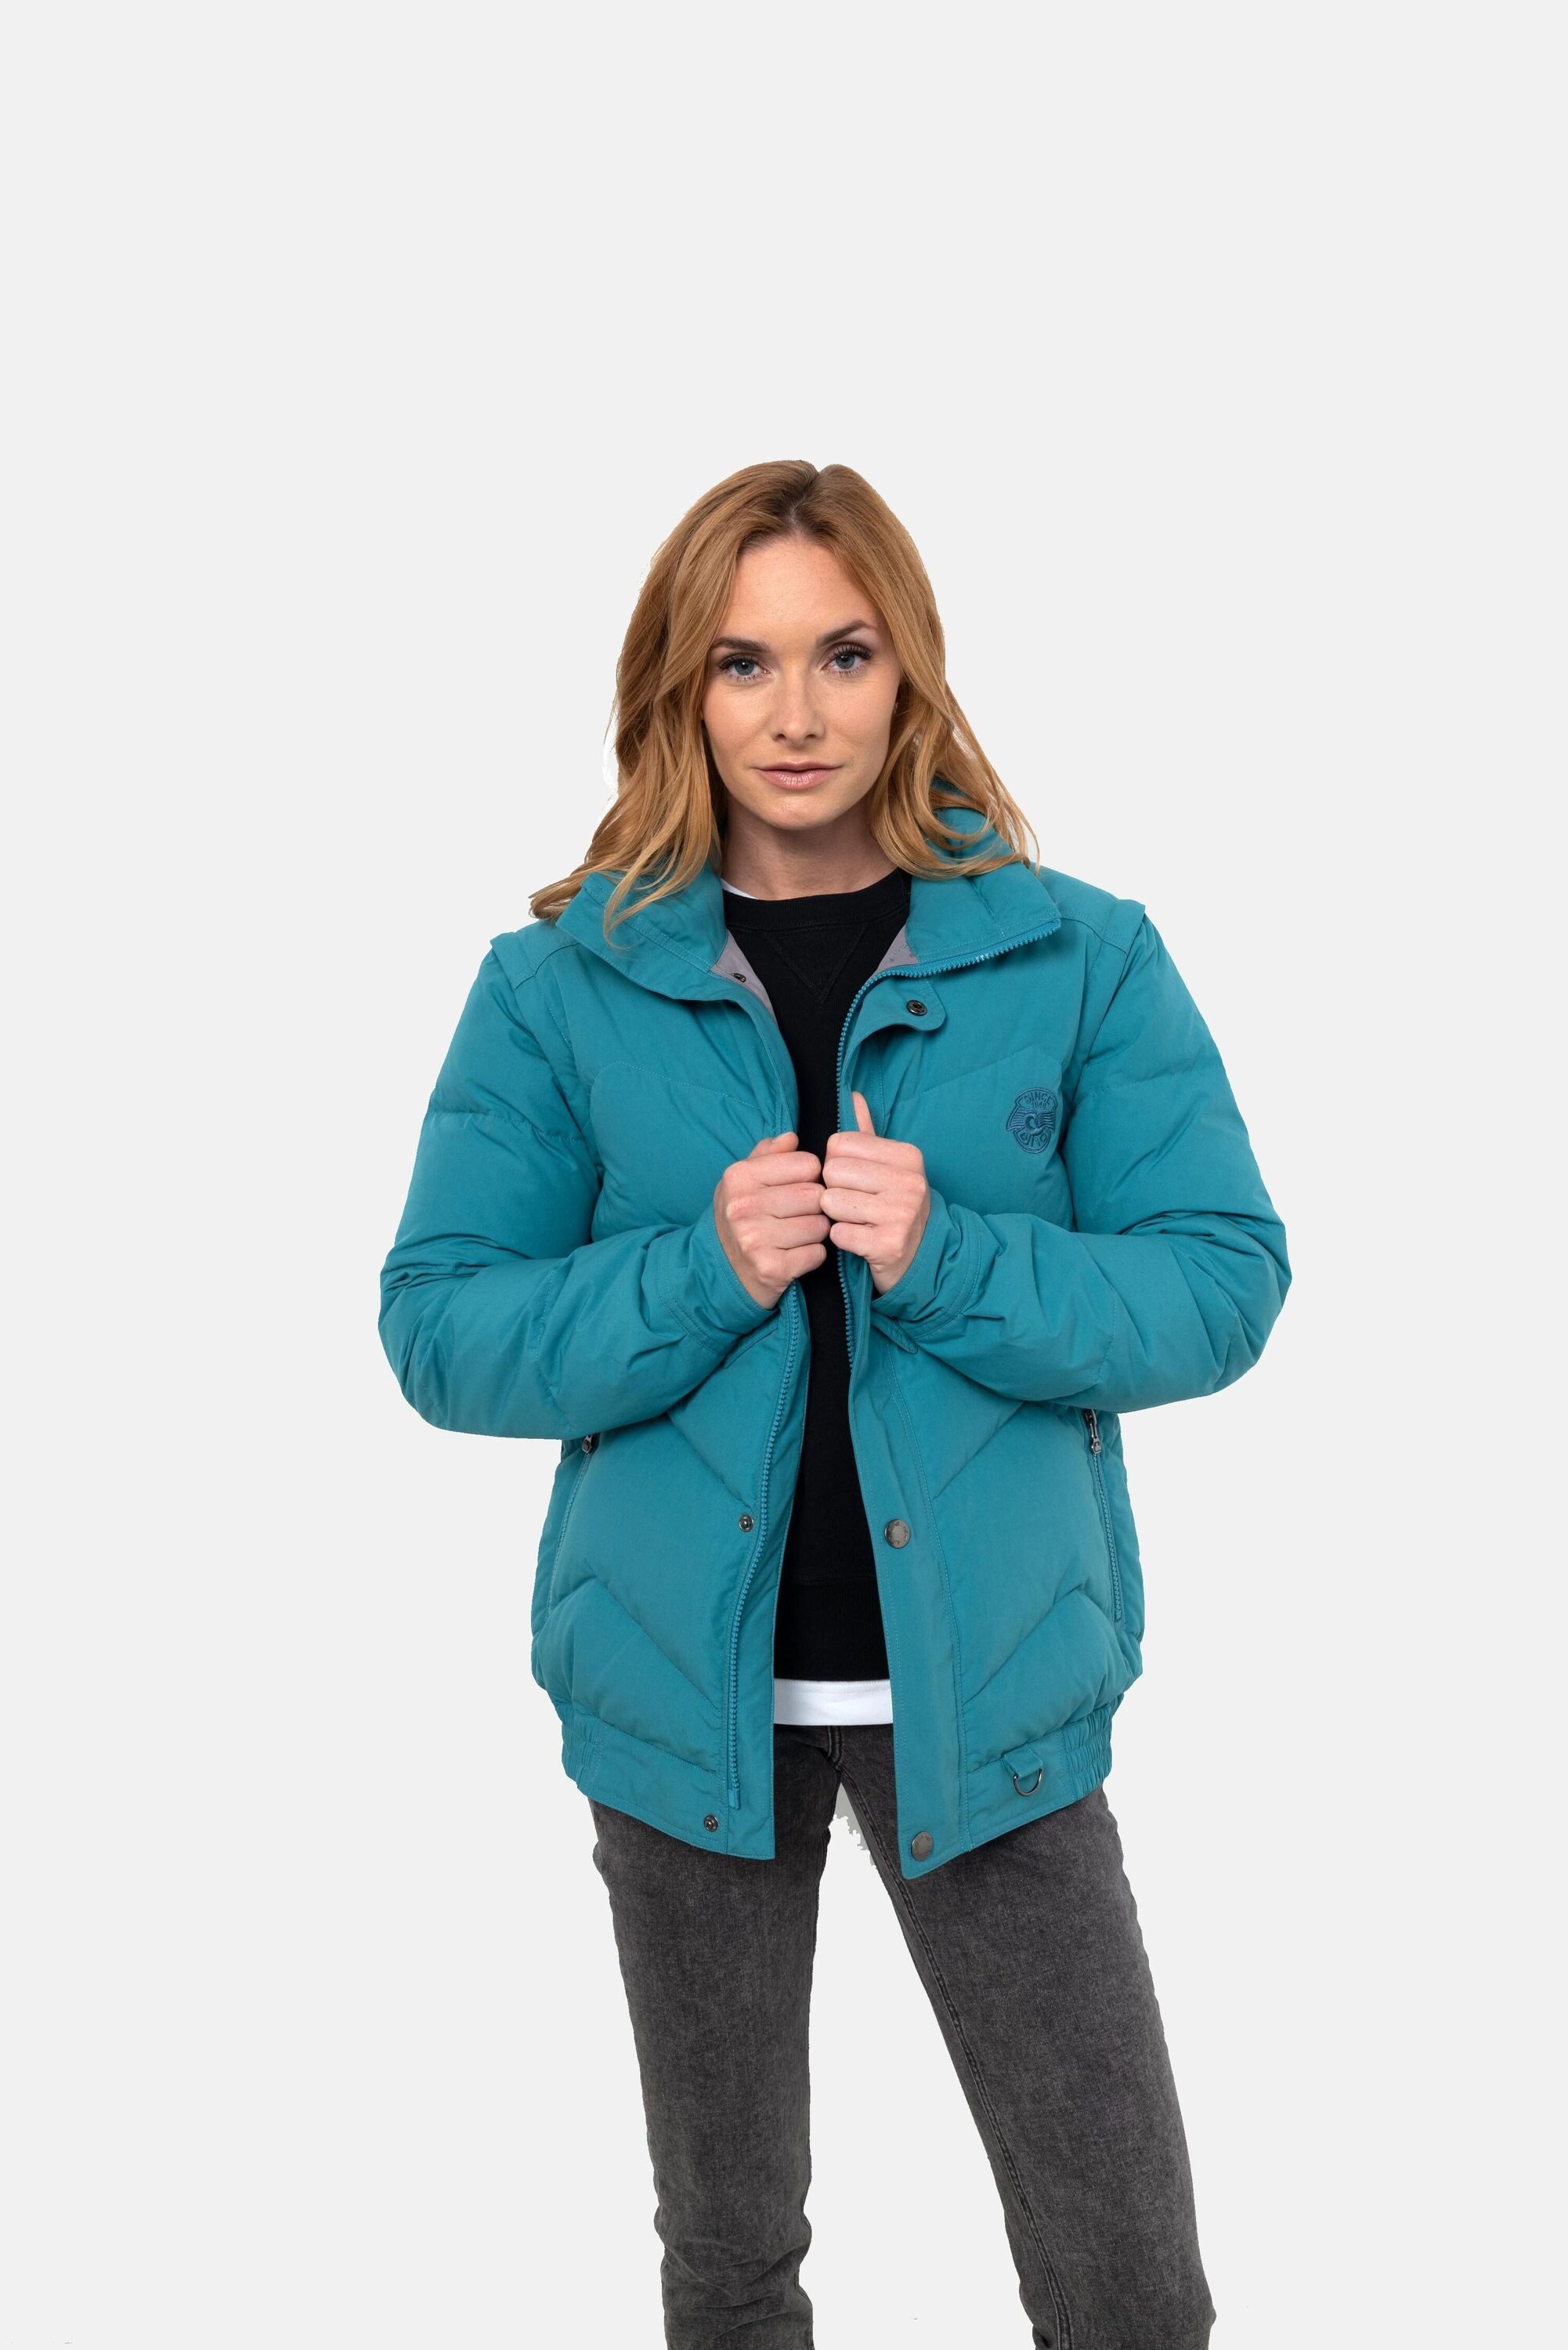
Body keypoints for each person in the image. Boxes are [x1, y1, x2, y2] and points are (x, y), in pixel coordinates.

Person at [378, 458, 1292, 2349]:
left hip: (995, 1698)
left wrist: (949, 1254)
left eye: (841, 654)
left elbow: (1219, 1282)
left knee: (1123, 2278)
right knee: (729, 2264)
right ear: (679, 688)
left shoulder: (1074, 956)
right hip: (677, 1711)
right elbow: (441, 1329)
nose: (793, 713)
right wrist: (693, 1269)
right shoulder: (556, 986)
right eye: (741, 662)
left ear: (908, 672)